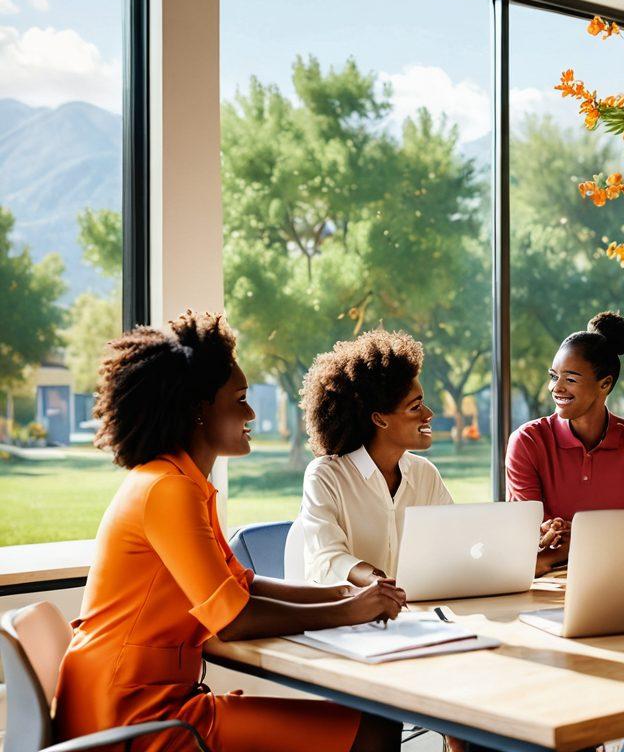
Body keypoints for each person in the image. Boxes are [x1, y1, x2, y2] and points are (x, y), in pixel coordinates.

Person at [54, 311, 403, 752]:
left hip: (152, 702)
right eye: (239, 399)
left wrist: (343, 596)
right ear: (199, 410)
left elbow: (244, 586)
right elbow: (234, 619)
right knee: (373, 730)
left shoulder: (184, 482)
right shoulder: (168, 489)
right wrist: (349, 612)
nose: (252, 411)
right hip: (132, 716)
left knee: (372, 725)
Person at [506, 311, 624, 575]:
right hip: (546, 577)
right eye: (554, 376)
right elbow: (531, 537)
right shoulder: (527, 440)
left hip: (619, 574)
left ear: (605, 384)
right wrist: (554, 534)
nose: (556, 388)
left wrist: (574, 539)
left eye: (570, 379)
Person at [297, 330, 454, 586]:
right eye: (415, 407)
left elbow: (455, 540)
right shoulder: (325, 476)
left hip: (418, 614)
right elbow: (328, 558)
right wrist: (375, 581)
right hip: (352, 617)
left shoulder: (424, 474)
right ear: (379, 419)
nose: (428, 414)